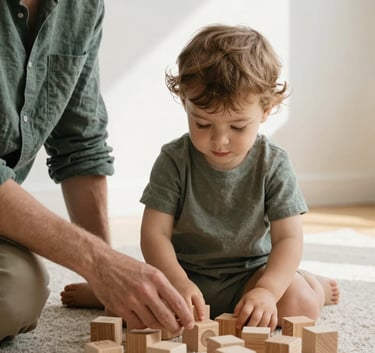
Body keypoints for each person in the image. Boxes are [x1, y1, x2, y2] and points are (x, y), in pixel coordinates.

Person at [0, 0, 197, 342]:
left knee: (16, 295)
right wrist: (99, 262)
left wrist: (106, 281)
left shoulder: (82, 7)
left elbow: (80, 144)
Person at [139, 24, 340, 331]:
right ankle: (100, 293)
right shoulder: (173, 160)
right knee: (132, 301)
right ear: (185, 103)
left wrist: (268, 290)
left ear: (266, 110)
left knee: (299, 304)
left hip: (252, 275)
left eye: (237, 127)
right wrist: (179, 282)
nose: (219, 141)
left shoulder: (274, 163)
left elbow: (288, 238)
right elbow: (155, 234)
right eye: (203, 124)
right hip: (186, 275)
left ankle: (316, 286)